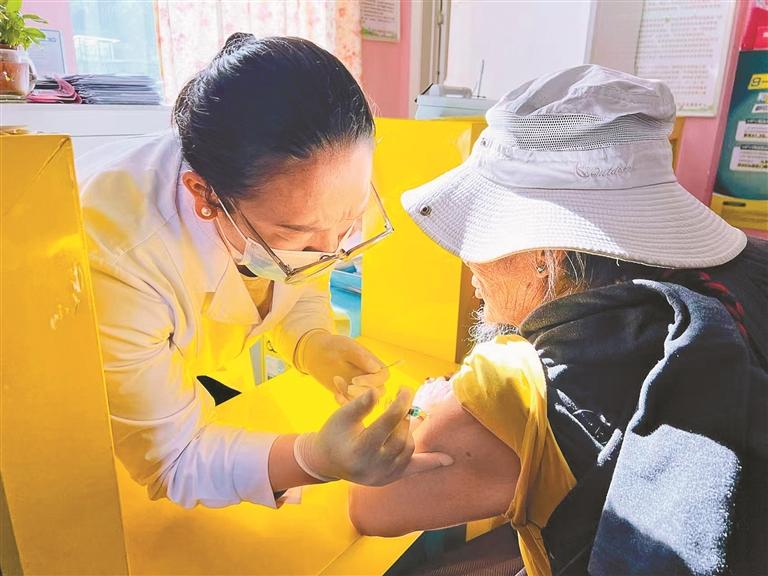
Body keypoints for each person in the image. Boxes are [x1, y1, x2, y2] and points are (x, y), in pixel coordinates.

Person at [348, 66, 767, 575]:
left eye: (482, 233)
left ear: (546, 257)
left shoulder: (526, 381)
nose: (467, 262)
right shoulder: (750, 274)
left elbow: (372, 506)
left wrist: (425, 409)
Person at [77, 34, 452, 510]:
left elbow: (300, 280)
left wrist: (310, 341)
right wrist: (313, 460)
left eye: (349, 220)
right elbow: (173, 458)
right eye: (298, 233)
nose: (330, 252)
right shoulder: (118, 257)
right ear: (206, 196)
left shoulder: (298, 192)